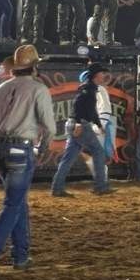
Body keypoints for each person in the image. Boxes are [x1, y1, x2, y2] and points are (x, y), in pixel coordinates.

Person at [0, 45, 55, 274]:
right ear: (34, 67)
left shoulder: (1, 88)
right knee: (13, 203)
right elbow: (49, 125)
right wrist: (44, 147)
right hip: (20, 148)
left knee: (18, 201)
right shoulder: (38, 89)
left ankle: (21, 256)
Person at [50, 64, 114, 197]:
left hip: (75, 124)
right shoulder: (89, 89)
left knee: (68, 158)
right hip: (81, 125)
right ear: (96, 75)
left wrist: (98, 125)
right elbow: (79, 106)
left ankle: (57, 188)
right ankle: (100, 186)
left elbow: (90, 110)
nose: (104, 76)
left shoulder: (88, 88)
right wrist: (79, 123)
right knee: (98, 152)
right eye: (102, 73)